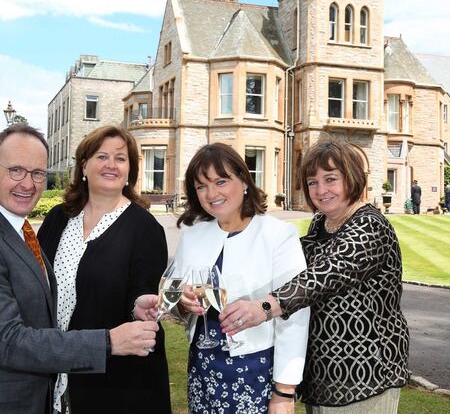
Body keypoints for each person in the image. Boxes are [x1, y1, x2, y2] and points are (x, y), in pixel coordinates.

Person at [0, 124, 158, 414]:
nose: (28, 183)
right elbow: (6, 340)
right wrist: (107, 342)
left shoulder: (16, 230)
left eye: (37, 174)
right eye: (16, 170)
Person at [220, 141, 410, 413]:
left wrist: (263, 308)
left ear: (352, 178)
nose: (321, 190)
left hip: (364, 376)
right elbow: (288, 265)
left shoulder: (370, 225)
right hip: (322, 378)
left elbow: (322, 277)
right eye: (312, 182)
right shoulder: (321, 223)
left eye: (330, 179)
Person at [37, 125, 171, 414]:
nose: (111, 164)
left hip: (117, 382)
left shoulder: (144, 229)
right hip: (54, 363)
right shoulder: (57, 219)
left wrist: (140, 307)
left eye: (121, 158)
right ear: (84, 165)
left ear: (129, 172)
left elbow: (143, 296)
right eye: (102, 156)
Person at [173, 143, 310, 414]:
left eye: (221, 181)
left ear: (244, 181)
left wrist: (284, 392)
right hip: (202, 370)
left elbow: (295, 317)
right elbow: (175, 299)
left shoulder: (278, 235)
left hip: (256, 373)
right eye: (201, 186)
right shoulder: (192, 235)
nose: (212, 193)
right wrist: (181, 303)